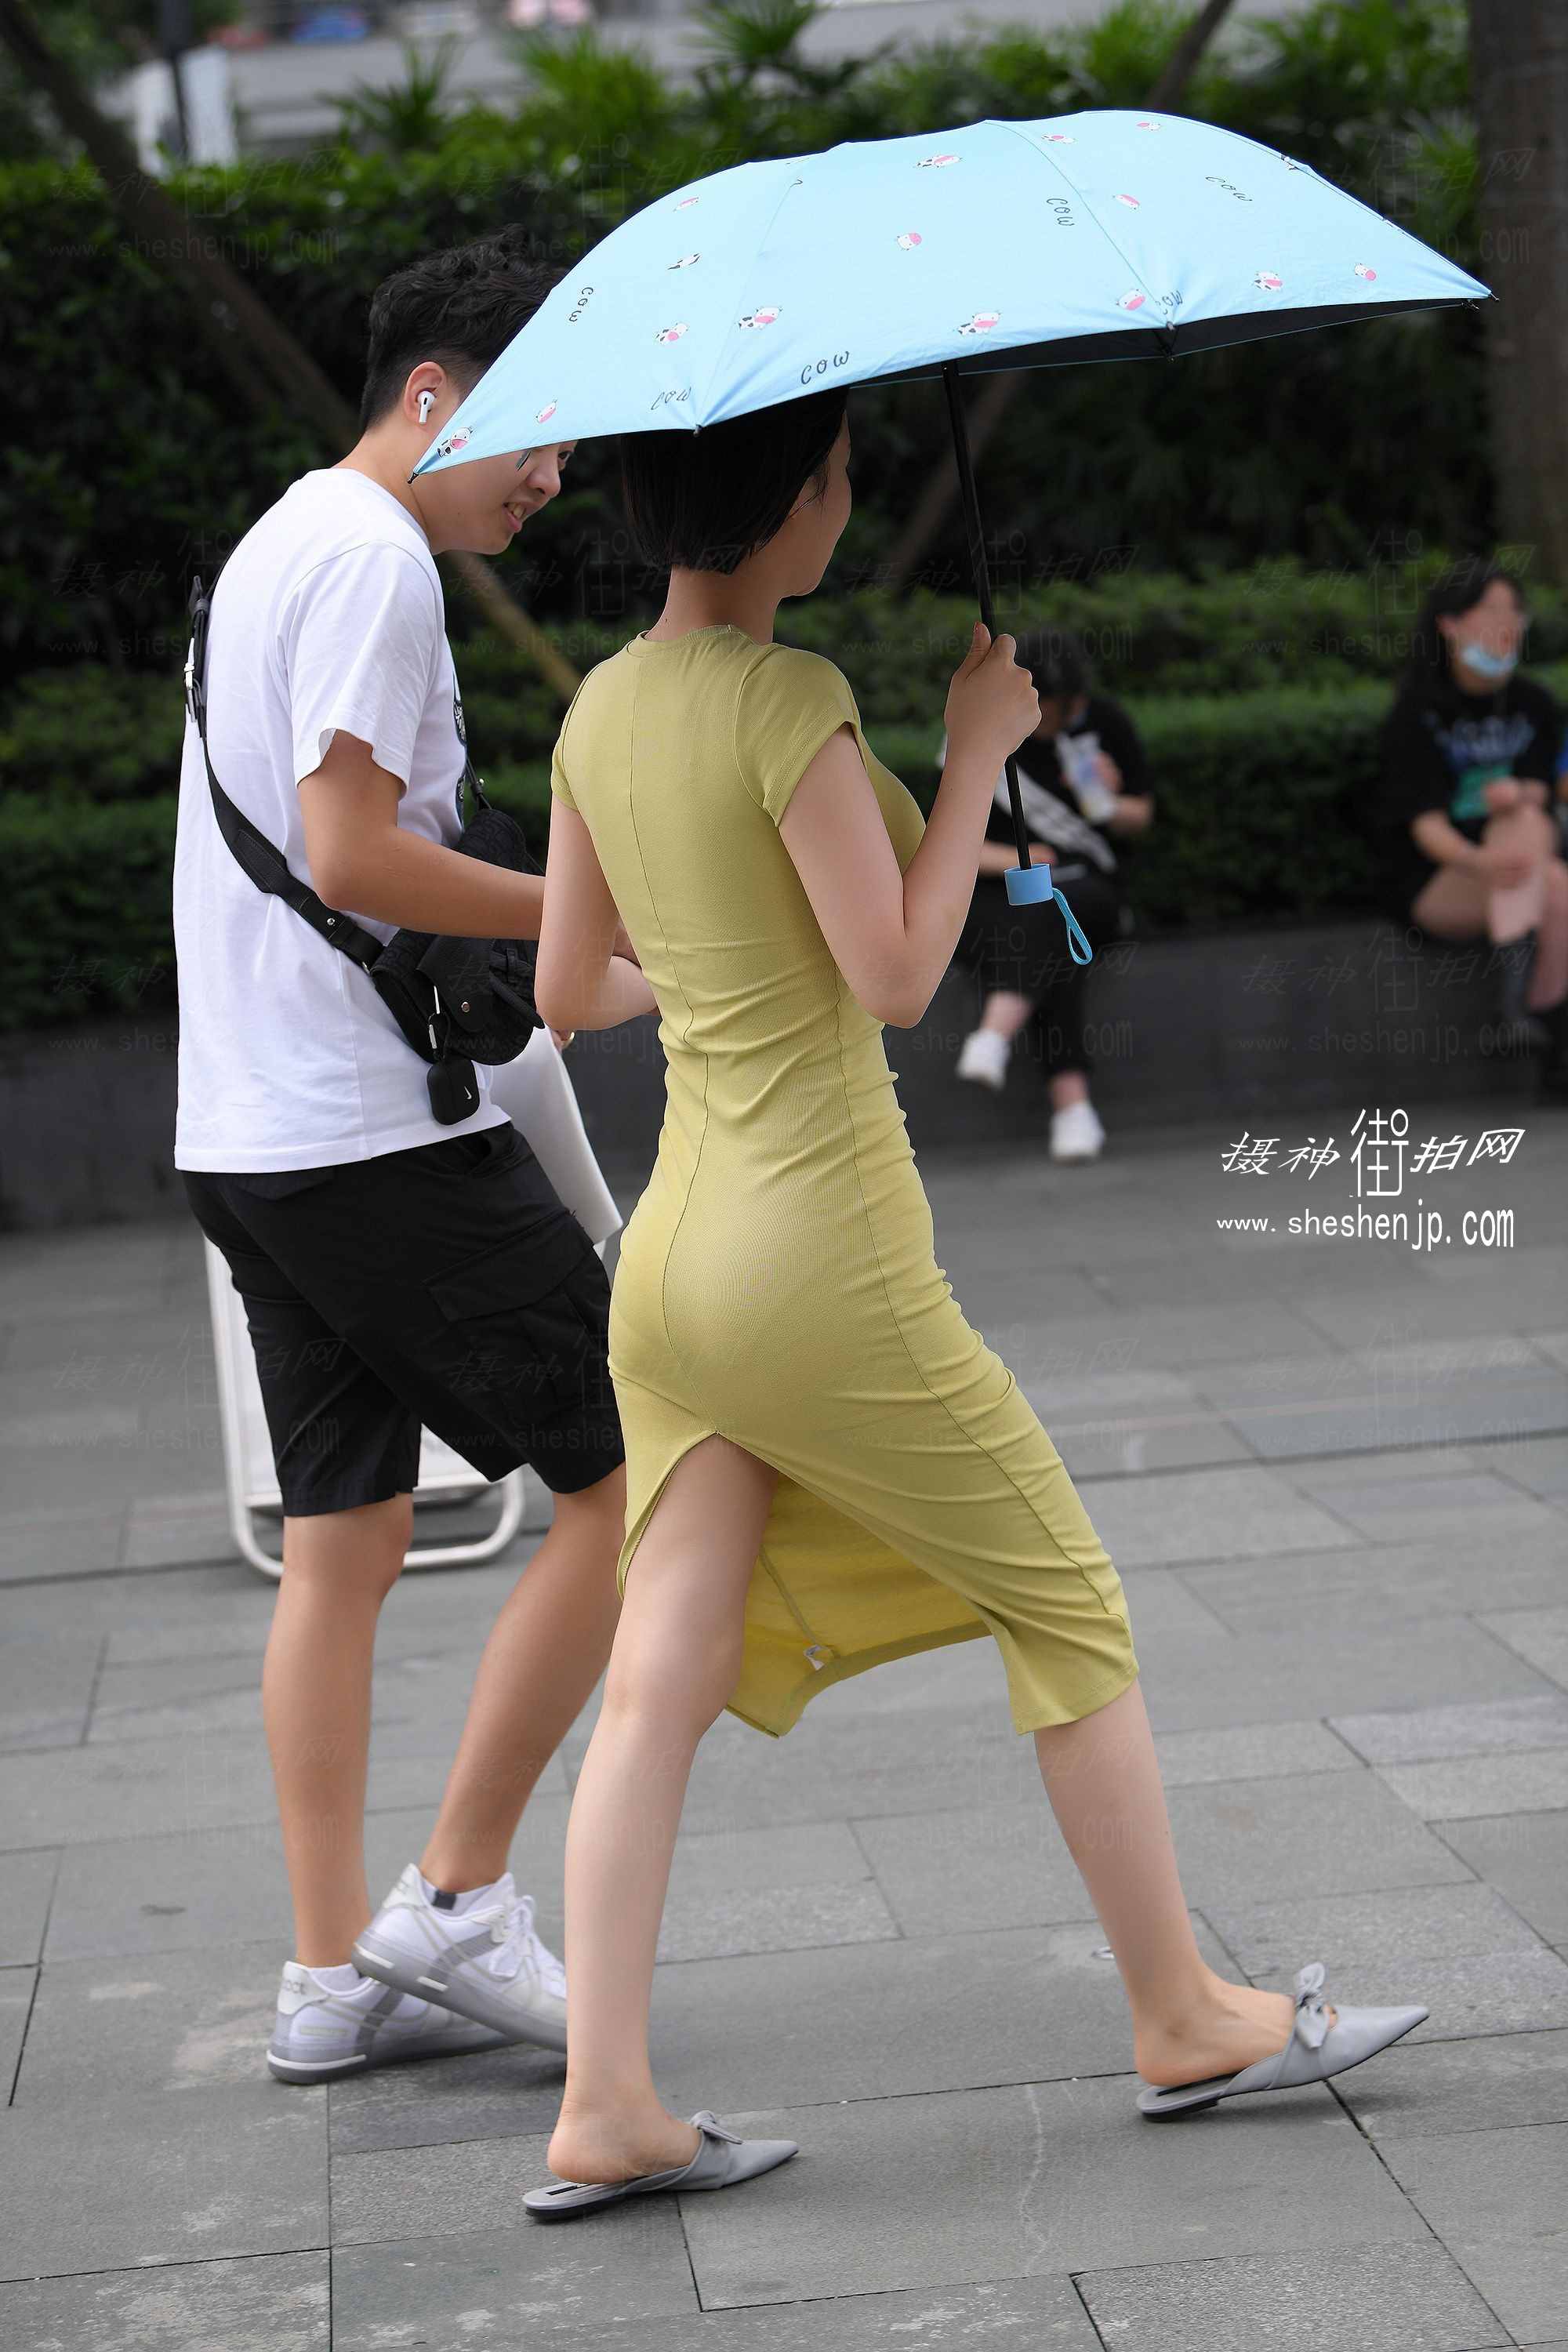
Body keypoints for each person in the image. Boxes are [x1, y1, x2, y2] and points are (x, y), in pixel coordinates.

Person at [521, 390, 1428, 2217]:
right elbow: (896, 976)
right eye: (838, 477)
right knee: (1067, 1602)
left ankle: (603, 2099)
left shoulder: (599, 706)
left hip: (670, 1263)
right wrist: (973, 751)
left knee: (658, 1672)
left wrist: (708, 974)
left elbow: (561, 985)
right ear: (784, 500)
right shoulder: (790, 698)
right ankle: (1180, 2013)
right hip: (817, 1258)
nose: (848, 503)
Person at [172, 231, 659, 2084]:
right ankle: (453, 1896)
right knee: (639, 1469)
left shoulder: (278, 537)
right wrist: (579, 906)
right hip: (366, 1138)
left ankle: (328, 1978)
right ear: (435, 394)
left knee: (343, 1545)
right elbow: (352, 849)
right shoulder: (376, 557)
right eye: (540, 435)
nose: (555, 477)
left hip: (251, 1131)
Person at [944, 629, 1153, 1162]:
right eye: (1058, 704)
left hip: (1087, 886)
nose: (1069, 714)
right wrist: (1020, 859)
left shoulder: (1103, 725)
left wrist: (1107, 799)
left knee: (1053, 910)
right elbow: (947, 845)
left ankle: (994, 1036)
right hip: (999, 895)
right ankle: (1072, 1106)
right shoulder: (981, 740)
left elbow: (1140, 817)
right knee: (1051, 930)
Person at [1374, 566, 1568, 1091]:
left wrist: (1520, 795)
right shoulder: (1417, 714)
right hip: (1447, 876)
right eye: (1491, 612)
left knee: (1543, 860)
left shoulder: (1534, 703)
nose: (1507, 625)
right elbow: (1426, 827)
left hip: (1525, 859)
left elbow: (1546, 791)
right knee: (1551, 880)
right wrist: (1481, 863)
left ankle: (1519, 1013)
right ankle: (1544, 1036)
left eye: (1515, 612)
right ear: (1450, 625)